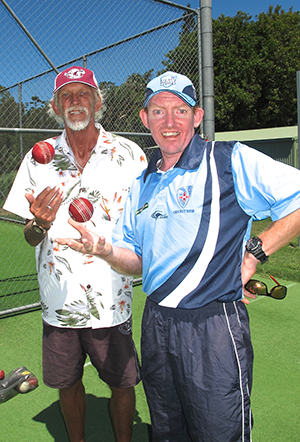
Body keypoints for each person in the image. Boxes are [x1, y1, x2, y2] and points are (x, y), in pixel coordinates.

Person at [55, 71, 300, 442]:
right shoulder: (142, 181)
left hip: (213, 324)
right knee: (167, 430)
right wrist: (105, 250)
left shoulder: (228, 159)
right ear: (145, 118)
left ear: (197, 116)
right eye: (158, 111)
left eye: (180, 111)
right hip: (157, 324)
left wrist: (254, 254)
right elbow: (136, 260)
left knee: (220, 432)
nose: (169, 123)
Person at [3, 66, 147, 442]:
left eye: (83, 94)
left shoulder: (129, 154)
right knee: (67, 384)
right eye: (66, 96)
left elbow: (148, 222)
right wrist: (40, 224)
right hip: (59, 299)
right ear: (54, 106)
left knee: (122, 383)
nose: (75, 102)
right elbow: (31, 238)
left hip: (112, 298)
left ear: (98, 102)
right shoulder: (39, 159)